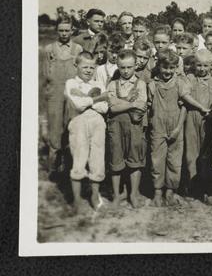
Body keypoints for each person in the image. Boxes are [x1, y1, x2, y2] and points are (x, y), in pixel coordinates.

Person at [64, 51, 108, 213]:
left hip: (97, 122)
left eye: (92, 67)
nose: (89, 70)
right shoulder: (71, 83)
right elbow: (77, 106)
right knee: (79, 158)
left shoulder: (99, 84)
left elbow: (104, 108)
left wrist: (86, 98)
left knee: (97, 158)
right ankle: (77, 200)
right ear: (76, 66)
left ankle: (95, 196)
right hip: (79, 123)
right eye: (85, 67)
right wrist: (98, 99)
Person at [106, 49, 148, 208]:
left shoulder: (141, 84)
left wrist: (120, 103)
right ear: (117, 66)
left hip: (134, 127)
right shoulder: (112, 84)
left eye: (129, 67)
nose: (125, 71)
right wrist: (130, 104)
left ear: (135, 66)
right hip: (115, 127)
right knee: (116, 160)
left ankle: (133, 194)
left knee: (135, 161)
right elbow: (112, 108)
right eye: (122, 67)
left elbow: (141, 107)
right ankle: (117, 195)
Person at [43, 15, 83, 174]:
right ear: (57, 30)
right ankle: (53, 166)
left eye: (67, 30)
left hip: (72, 93)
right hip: (56, 92)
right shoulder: (49, 49)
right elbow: (46, 73)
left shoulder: (78, 49)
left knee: (72, 126)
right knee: (55, 127)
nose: (64, 33)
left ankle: (69, 166)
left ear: (72, 30)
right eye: (61, 30)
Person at [183, 49, 212, 201]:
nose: (202, 69)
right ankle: (192, 186)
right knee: (191, 152)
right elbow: (185, 95)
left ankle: (205, 186)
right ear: (194, 64)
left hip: (208, 120)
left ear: (211, 65)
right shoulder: (189, 78)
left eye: (205, 66)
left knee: (206, 153)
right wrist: (200, 107)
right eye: (199, 65)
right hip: (192, 117)